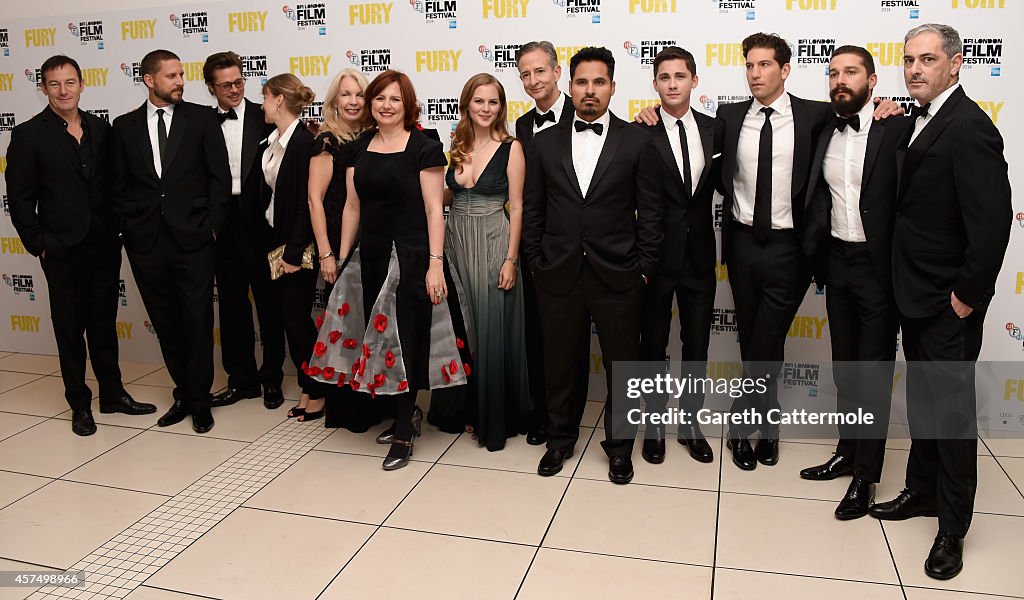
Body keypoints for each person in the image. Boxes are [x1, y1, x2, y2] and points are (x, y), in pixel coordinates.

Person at [869, 24, 1011, 581]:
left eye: (927, 60)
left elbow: (992, 226)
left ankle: (952, 529)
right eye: (908, 60)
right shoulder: (915, 120)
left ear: (955, 65)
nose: (915, 69)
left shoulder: (971, 127)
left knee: (951, 418)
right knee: (925, 408)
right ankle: (921, 493)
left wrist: (965, 300)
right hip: (913, 293)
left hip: (946, 303)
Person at [306, 70, 473, 470]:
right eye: (379, 98)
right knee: (378, 341)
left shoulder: (425, 146)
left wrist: (435, 264)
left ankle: (402, 428)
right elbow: (351, 207)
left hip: (413, 257)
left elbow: (436, 209)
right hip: (372, 256)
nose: (385, 105)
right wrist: (343, 260)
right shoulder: (358, 148)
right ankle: (405, 414)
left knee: (407, 342)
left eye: (395, 99)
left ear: (407, 104)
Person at [523, 47, 663, 484]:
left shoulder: (637, 140)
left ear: (613, 88)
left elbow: (652, 212)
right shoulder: (543, 142)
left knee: (624, 367)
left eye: (599, 82)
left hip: (619, 274)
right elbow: (534, 208)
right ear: (570, 85)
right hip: (558, 272)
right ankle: (560, 440)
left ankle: (620, 448)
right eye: (582, 82)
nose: (589, 91)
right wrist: (535, 261)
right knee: (561, 364)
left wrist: (643, 267)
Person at [5, 55, 155, 436]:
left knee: (104, 325)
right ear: (43, 88)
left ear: (82, 84)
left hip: (103, 244)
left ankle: (113, 394)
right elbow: (19, 198)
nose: (63, 90)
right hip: (59, 249)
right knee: (70, 330)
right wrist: (39, 244)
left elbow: (116, 184)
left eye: (70, 82)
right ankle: (79, 403)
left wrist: (118, 229)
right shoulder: (28, 134)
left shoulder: (102, 129)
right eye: (54, 84)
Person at [800, 46, 909, 520]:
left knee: (872, 374)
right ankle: (848, 451)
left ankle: (867, 475)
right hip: (837, 263)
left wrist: (901, 107)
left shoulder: (897, 126)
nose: (840, 80)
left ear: (872, 79)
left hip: (879, 269)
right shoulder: (825, 125)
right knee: (846, 367)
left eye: (850, 72)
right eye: (833, 73)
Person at [111, 49, 230, 434]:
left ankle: (200, 400)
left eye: (182, 75)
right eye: (171, 76)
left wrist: (212, 225)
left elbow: (219, 178)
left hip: (194, 237)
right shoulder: (124, 126)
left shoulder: (201, 119)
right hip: (146, 240)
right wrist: (127, 228)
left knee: (197, 320)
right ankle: (183, 391)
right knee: (166, 322)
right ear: (149, 80)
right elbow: (118, 184)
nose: (180, 82)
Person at [634, 46, 723, 466]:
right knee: (652, 346)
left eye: (680, 76)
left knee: (697, 344)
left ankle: (691, 425)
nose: (672, 83)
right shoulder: (640, 132)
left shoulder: (714, 128)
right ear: (655, 84)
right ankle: (652, 428)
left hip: (702, 256)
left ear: (694, 81)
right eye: (664, 77)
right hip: (653, 258)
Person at [437, 73, 530, 451]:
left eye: (493, 102)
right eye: (479, 101)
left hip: (494, 241)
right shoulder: (456, 146)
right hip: (456, 241)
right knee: (461, 328)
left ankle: (494, 417)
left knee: (490, 331)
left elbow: (519, 206)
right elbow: (445, 196)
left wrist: (511, 259)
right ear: (466, 105)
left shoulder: (512, 147)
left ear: (501, 107)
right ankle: (463, 409)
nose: (486, 108)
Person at [513, 41, 590, 447]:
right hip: (545, 252)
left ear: (558, 73)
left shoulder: (586, 110)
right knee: (544, 339)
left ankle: (576, 420)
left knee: (580, 343)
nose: (533, 80)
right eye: (525, 74)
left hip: (590, 252)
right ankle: (546, 417)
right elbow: (528, 196)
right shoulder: (523, 127)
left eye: (539, 71)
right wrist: (531, 253)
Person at [203, 51, 284, 411]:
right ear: (210, 87)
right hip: (222, 225)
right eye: (226, 85)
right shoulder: (201, 122)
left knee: (269, 306)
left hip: (261, 222)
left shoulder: (265, 116)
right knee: (232, 307)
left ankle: (272, 380)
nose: (235, 89)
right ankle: (241, 380)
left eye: (239, 82)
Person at [306, 68, 381, 431]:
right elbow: (314, 201)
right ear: (335, 101)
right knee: (345, 328)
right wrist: (326, 253)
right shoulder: (326, 141)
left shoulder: (373, 138)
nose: (353, 101)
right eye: (346, 94)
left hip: (373, 239)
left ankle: (373, 402)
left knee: (369, 325)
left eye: (359, 95)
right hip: (339, 243)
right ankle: (348, 410)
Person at [260, 73, 326, 422]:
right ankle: (307, 387)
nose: (262, 104)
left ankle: (318, 389)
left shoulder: (304, 142)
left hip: (295, 247)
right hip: (276, 242)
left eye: (265, 97)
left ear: (278, 100)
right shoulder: (275, 141)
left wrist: (292, 251)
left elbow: (306, 202)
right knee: (291, 321)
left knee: (297, 321)